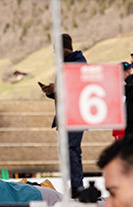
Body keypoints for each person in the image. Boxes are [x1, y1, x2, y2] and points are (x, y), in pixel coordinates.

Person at [40, 33, 86, 196]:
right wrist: (51, 92)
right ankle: (75, 185)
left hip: (73, 115)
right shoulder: (66, 64)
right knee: (68, 151)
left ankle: (76, 187)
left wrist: (56, 89)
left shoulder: (78, 64)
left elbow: (76, 89)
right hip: (66, 114)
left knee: (70, 150)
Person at [112, 62, 132, 141]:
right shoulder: (114, 86)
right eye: (126, 72)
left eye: (129, 71)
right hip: (120, 126)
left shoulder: (130, 84)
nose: (129, 74)